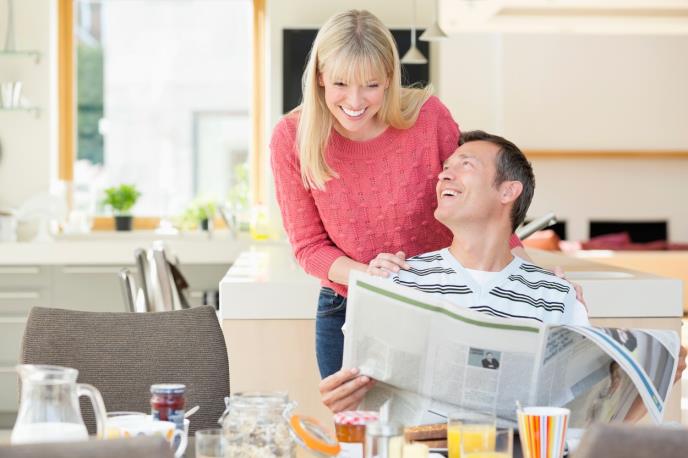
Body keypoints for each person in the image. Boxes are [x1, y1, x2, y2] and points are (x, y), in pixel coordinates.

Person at [320, 131, 687, 414]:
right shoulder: (399, 281)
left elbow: (578, 423)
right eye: (445, 167)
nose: (443, 174)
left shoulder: (555, 296)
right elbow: (364, 411)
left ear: (508, 191)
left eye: (465, 164)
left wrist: (647, 386)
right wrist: (344, 403)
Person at [270, 10, 526, 380]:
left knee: (446, 417)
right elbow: (308, 247)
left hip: (441, 301)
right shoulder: (291, 137)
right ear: (320, 76)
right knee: (356, 420)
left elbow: (480, 205)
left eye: (371, 85)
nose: (355, 101)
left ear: (389, 77)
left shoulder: (428, 117)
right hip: (350, 306)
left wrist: (531, 277)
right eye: (341, 83)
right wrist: (369, 275)